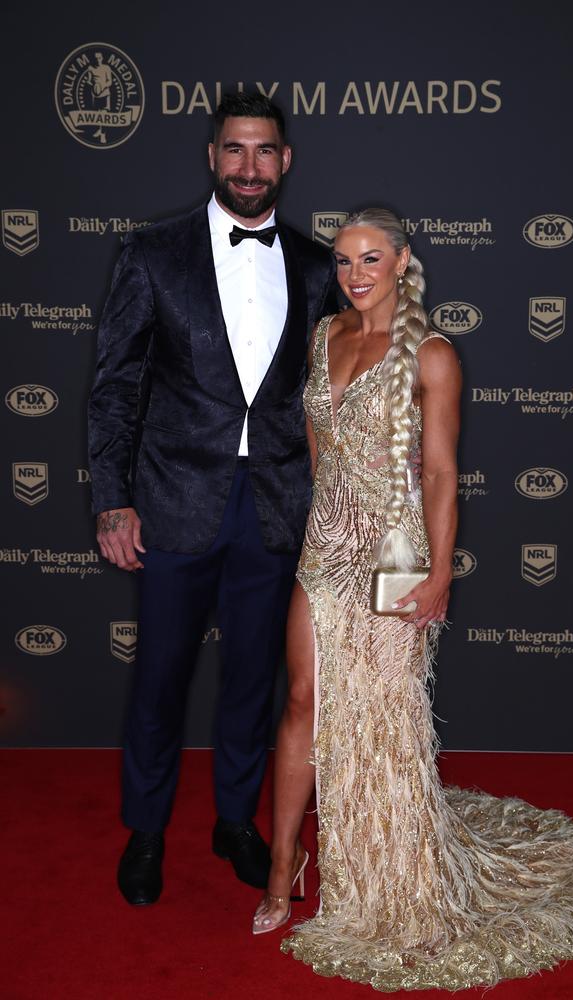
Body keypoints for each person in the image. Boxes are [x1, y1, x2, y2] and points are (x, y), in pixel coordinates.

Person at [252, 208, 573, 990]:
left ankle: (392, 874)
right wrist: (326, 528)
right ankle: (284, 864)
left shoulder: (432, 355)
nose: (355, 273)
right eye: (344, 261)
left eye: (371, 259)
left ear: (402, 262)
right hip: (326, 547)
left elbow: (438, 473)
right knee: (301, 702)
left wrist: (437, 575)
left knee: (386, 716)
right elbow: (321, 447)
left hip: (397, 554)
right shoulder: (324, 337)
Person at [87, 93, 337, 906]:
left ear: (286, 161)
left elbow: (332, 397)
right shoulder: (153, 253)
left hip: (273, 506)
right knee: (159, 678)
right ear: (211, 156)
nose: (249, 168)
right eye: (235, 150)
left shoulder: (313, 265)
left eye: (265, 152)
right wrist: (112, 499)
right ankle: (146, 831)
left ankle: (235, 821)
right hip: (172, 502)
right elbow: (115, 387)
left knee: (252, 680)